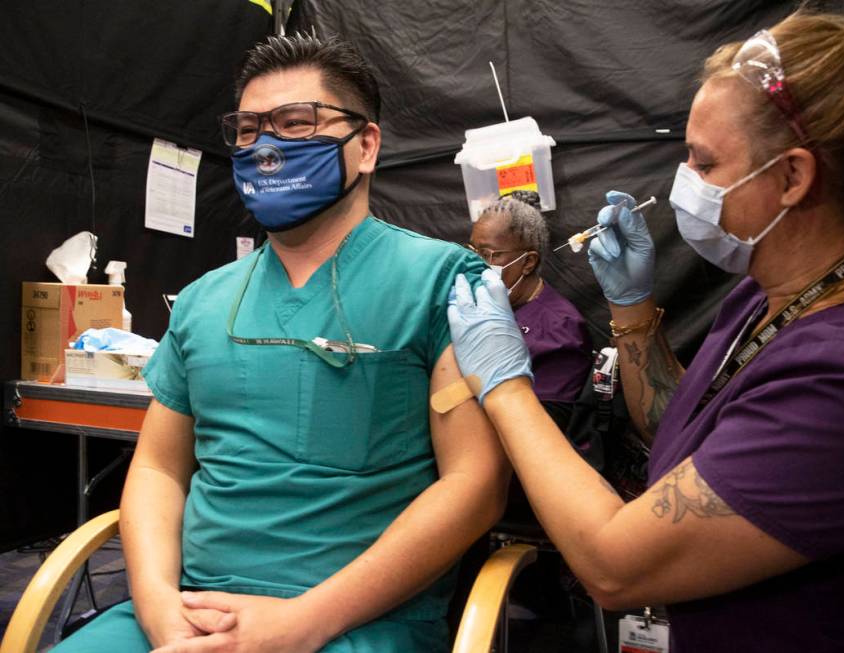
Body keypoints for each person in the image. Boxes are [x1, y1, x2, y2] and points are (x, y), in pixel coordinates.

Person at [446, 2, 844, 651]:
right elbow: (677, 426)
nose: (684, 183)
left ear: (792, 176)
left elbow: (616, 566)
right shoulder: (768, 293)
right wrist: (633, 310)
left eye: (703, 163)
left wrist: (502, 382)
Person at [53, 32, 508, 653]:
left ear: (366, 145)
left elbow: (475, 484)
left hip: (356, 623)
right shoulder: (205, 301)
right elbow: (159, 467)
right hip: (186, 614)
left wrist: (305, 622)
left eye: (296, 123)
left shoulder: (445, 285)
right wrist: (159, 610)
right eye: (247, 130)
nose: (265, 147)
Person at [468, 191, 593, 428]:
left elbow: (540, 431)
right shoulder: (486, 307)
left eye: (486, 255)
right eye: (472, 251)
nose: (475, 263)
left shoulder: (559, 331)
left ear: (528, 262)